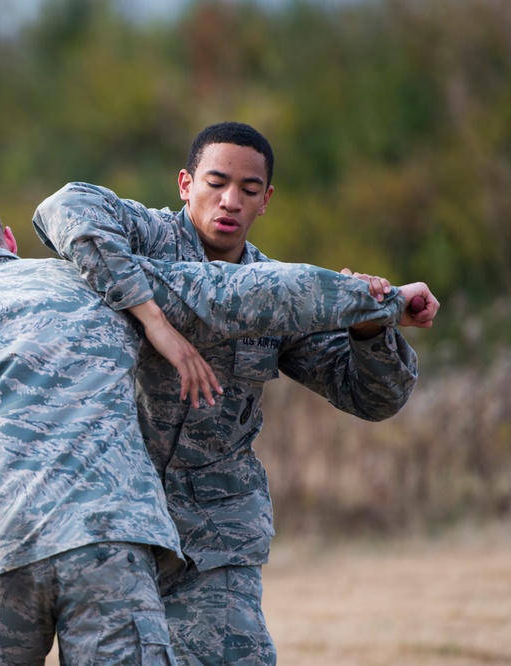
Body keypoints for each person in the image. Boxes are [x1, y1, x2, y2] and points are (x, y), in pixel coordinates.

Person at [0, 188, 434, 665]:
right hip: (112, 542)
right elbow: (239, 293)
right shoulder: (97, 284)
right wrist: (377, 300)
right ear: (9, 239)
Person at [32, 121, 438, 665]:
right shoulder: (142, 238)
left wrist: (366, 322)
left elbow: (373, 398)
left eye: (248, 190)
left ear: (266, 200)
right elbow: (63, 206)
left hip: (215, 535)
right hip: (115, 521)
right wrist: (152, 316)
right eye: (216, 183)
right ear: (185, 183)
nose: (230, 201)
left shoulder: (278, 294)